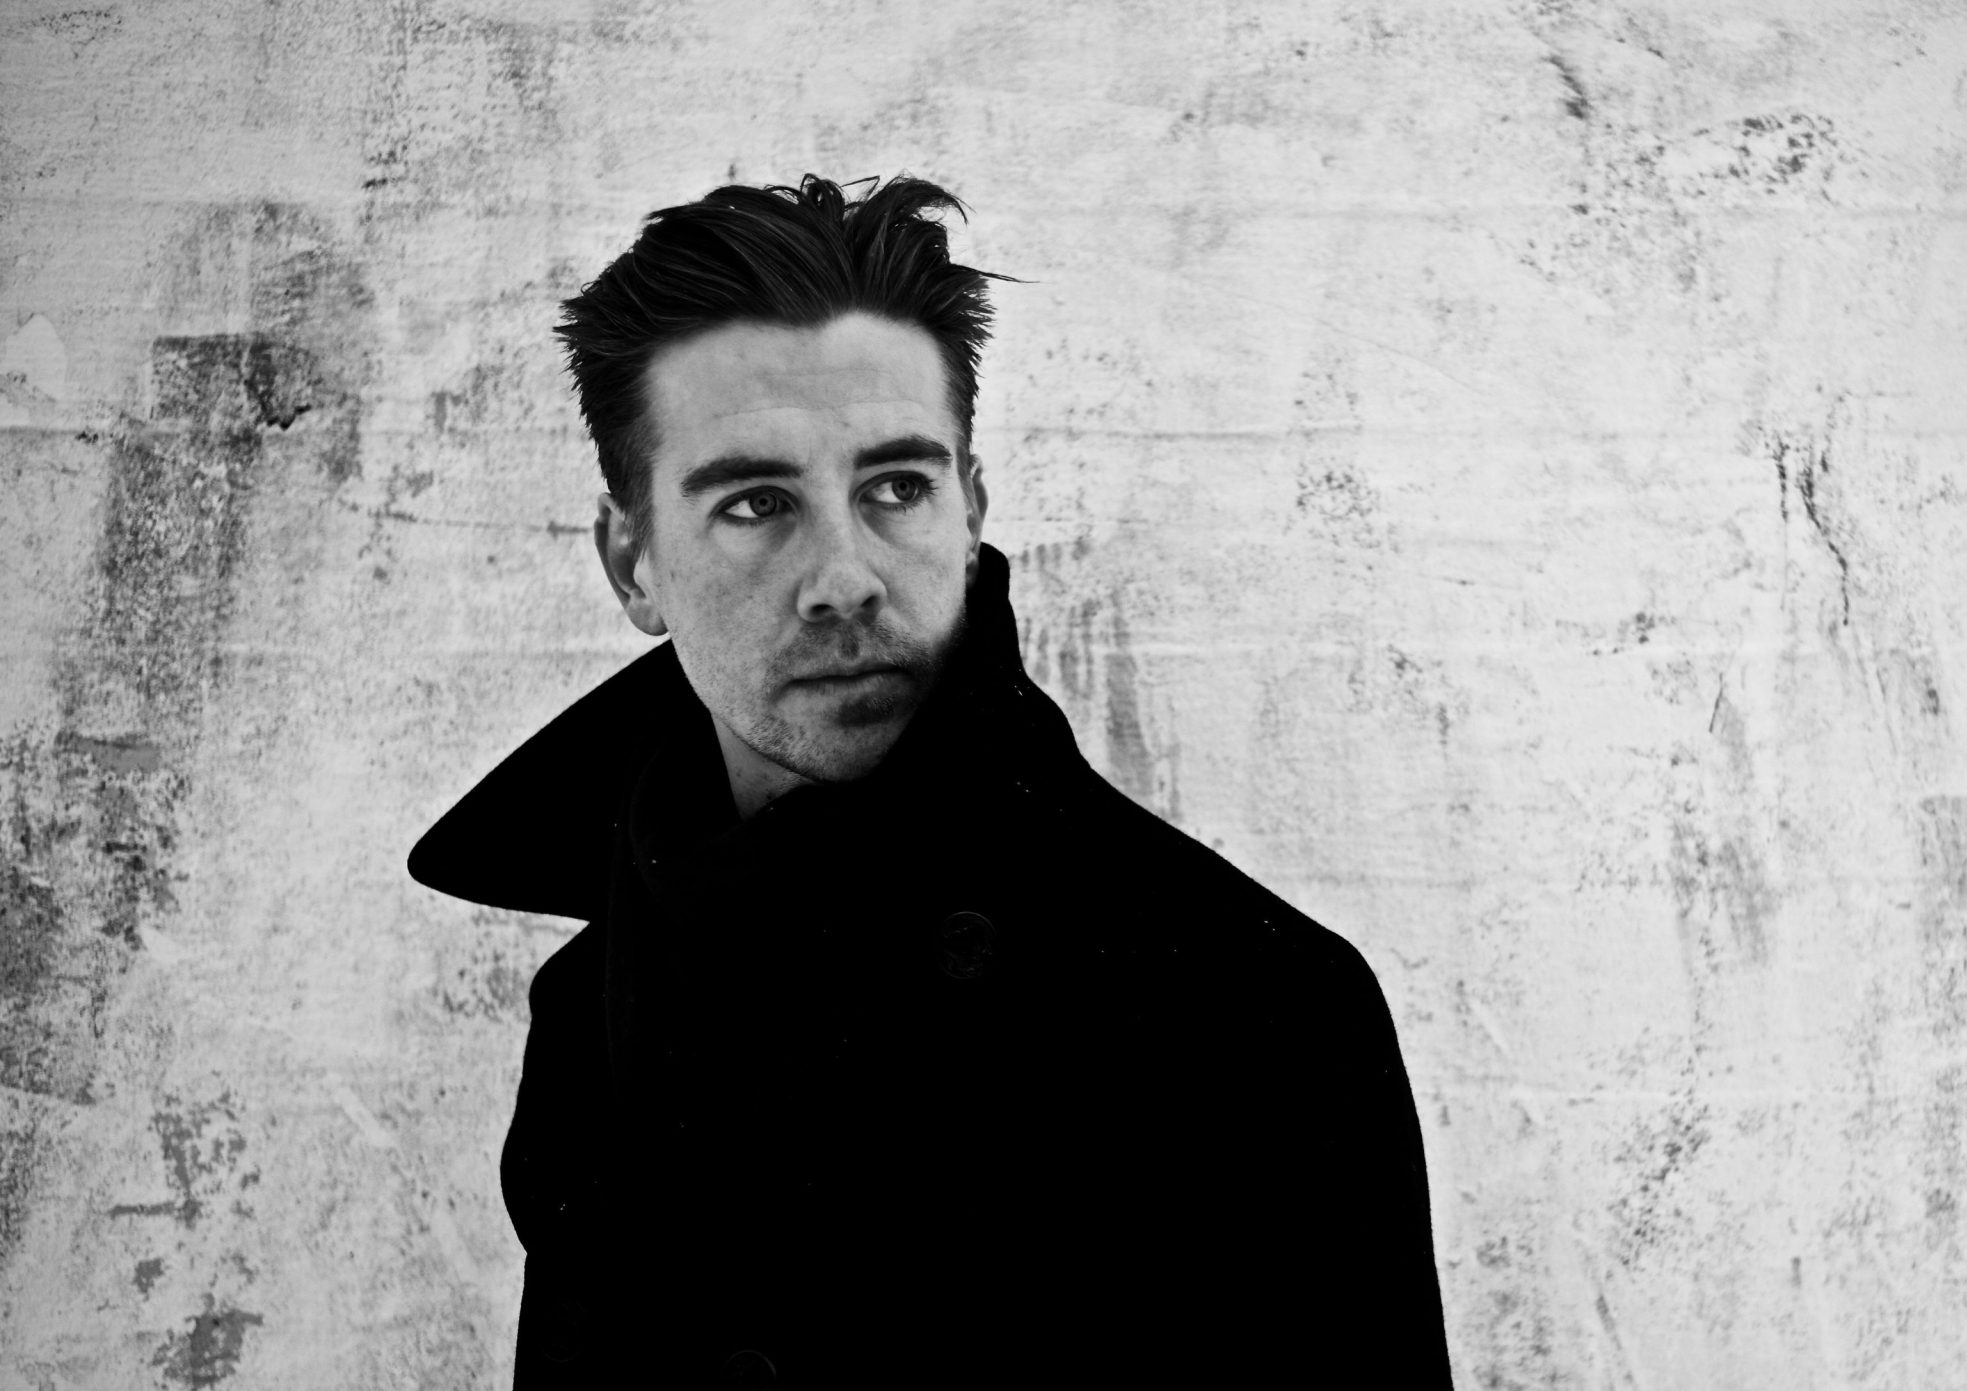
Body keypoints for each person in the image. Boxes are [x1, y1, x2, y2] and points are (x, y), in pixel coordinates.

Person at [407, 174, 1453, 1388]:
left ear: (971, 512)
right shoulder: (593, 1008)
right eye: (757, 502)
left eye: (897, 487)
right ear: (630, 561)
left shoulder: (1247, 1004)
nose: (845, 578)